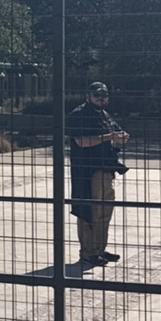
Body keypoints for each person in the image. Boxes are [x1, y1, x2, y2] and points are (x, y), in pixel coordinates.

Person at [67, 81, 128, 266]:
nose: (101, 99)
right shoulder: (79, 114)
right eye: (97, 96)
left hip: (106, 168)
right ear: (88, 96)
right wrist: (109, 137)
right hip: (88, 171)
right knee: (89, 210)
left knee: (104, 211)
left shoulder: (104, 115)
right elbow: (81, 142)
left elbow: (116, 133)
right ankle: (88, 252)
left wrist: (122, 137)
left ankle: (99, 249)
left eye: (104, 96)